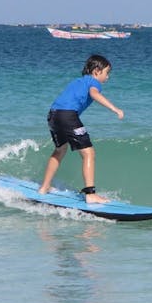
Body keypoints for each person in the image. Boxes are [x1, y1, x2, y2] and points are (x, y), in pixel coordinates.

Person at [38, 54, 124, 203]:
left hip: (53, 114)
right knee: (89, 153)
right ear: (97, 71)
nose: (107, 77)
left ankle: (44, 187)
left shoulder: (78, 81)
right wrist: (114, 109)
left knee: (60, 150)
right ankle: (90, 194)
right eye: (107, 72)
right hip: (67, 115)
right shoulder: (94, 82)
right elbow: (94, 94)